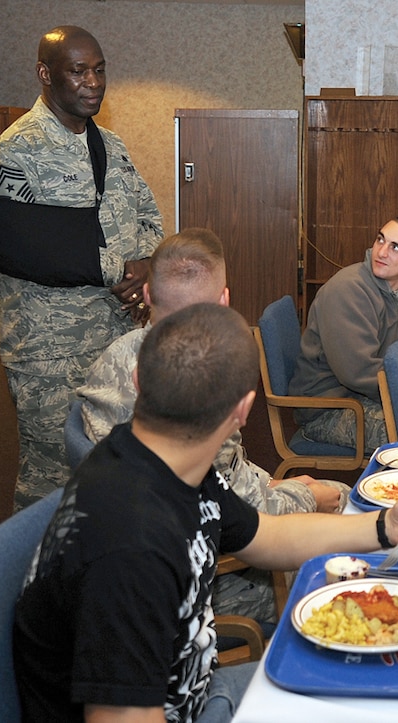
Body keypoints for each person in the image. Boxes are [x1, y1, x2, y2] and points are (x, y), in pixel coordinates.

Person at [14, 303, 398, 722]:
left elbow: (267, 536)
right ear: (242, 411)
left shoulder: (164, 459)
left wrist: (384, 527)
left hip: (197, 689)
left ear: (138, 380)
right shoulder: (131, 549)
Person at [76, 228, 349, 623]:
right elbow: (232, 513)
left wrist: (274, 484)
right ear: (225, 300)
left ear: (149, 295)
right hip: (194, 578)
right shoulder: (202, 377)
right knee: (344, 548)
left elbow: (227, 477)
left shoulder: (119, 354)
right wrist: (308, 497)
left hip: (123, 556)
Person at [0, 26, 164, 510]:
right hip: (48, 351)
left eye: (99, 70)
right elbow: (21, 247)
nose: (93, 82)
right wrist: (120, 271)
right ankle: (36, 579)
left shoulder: (112, 146)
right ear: (45, 74)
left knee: (111, 464)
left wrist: (145, 263)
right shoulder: (17, 151)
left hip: (115, 336)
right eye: (78, 70)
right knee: (51, 480)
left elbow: (148, 213)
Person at [291, 215, 398, 455]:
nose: (382, 252)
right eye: (380, 240)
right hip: (331, 407)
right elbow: (359, 373)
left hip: (380, 393)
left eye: (395, 248)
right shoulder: (348, 290)